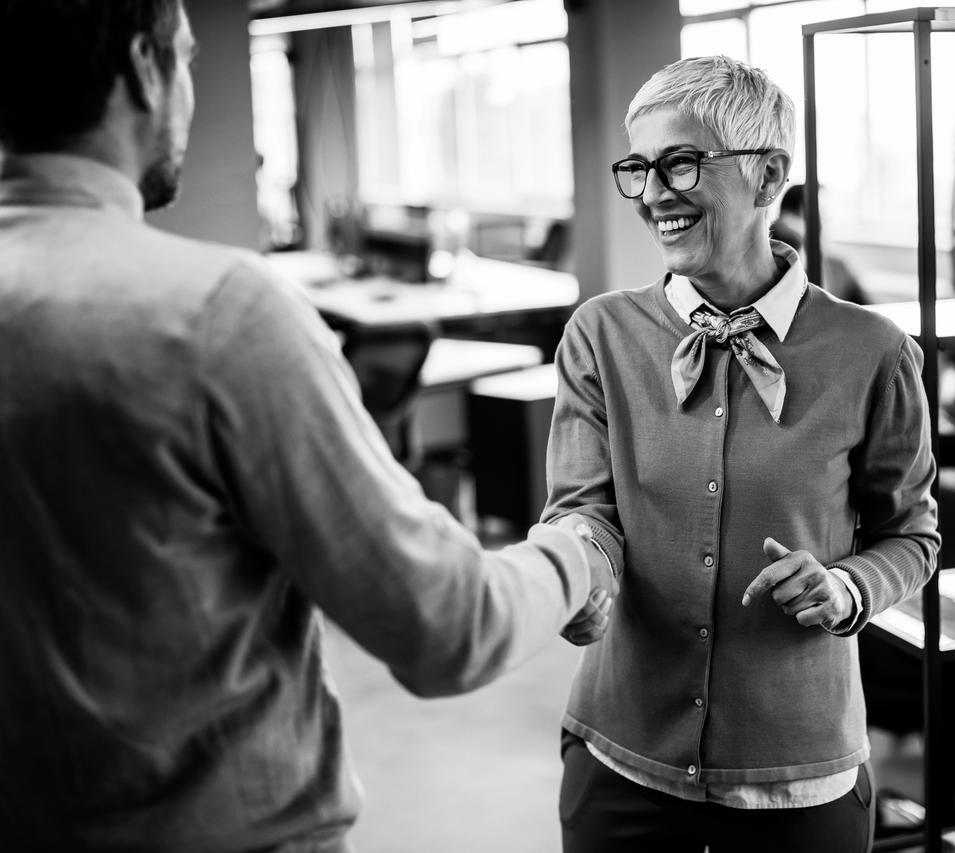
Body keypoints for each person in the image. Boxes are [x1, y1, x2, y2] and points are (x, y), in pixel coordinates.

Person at [0, 2, 614, 850]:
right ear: (145, 67)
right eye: (186, 59)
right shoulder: (220, 314)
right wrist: (578, 551)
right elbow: (447, 627)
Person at [542, 55, 939, 853]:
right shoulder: (600, 334)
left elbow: (914, 534)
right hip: (622, 759)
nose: (654, 193)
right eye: (640, 168)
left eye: (682, 162)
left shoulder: (873, 351)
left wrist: (845, 584)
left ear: (767, 178)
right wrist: (581, 566)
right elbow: (583, 508)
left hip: (800, 776)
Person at [772, 182, 871, 305]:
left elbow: (868, 308)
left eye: (824, 215)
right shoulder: (777, 258)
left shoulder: (838, 267)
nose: (823, 223)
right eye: (818, 214)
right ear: (788, 218)